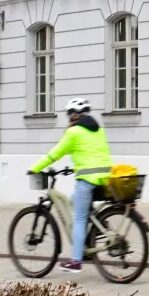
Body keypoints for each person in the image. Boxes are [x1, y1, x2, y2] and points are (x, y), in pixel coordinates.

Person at [28, 98, 112, 272]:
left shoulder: (74, 132)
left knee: (79, 218)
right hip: (105, 177)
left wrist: (34, 168)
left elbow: (54, 154)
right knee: (75, 201)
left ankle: (76, 261)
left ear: (74, 115)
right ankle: (98, 231)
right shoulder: (99, 130)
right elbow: (92, 153)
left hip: (87, 178)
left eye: (69, 114)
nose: (68, 118)